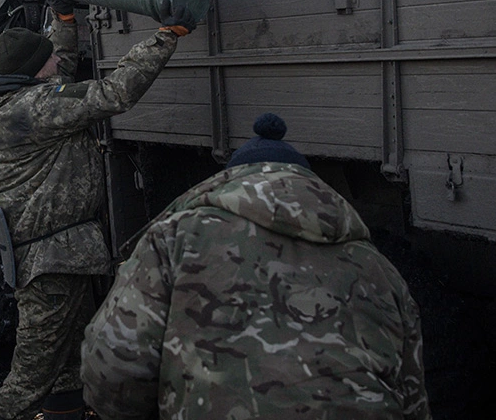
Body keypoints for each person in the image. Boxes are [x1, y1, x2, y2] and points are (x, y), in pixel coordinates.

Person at [82, 113, 431, 419]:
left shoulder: (175, 239)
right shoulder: (378, 267)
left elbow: (113, 371)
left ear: (233, 178)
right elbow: (413, 398)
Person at [0, 0, 197, 420]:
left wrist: (64, 19)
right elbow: (114, 93)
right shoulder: (34, 109)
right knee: (29, 377)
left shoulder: (17, 96)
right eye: (46, 61)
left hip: (64, 257)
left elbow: (55, 58)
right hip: (50, 265)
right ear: (32, 72)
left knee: (68, 369)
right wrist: (166, 36)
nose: (56, 65)